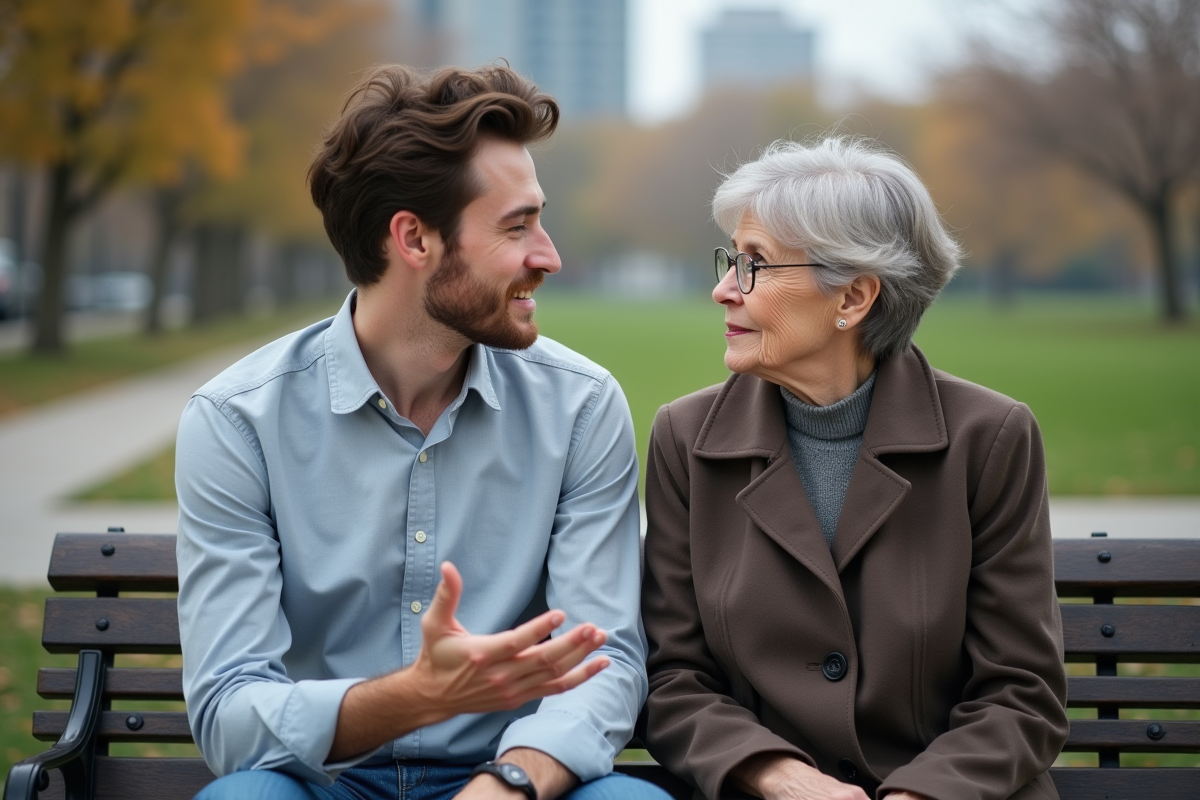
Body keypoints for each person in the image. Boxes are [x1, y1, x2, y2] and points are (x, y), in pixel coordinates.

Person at [177, 64, 668, 800]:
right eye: (517, 226)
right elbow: (229, 715)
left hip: (510, 774)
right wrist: (417, 696)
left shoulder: (581, 407)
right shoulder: (237, 421)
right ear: (413, 238)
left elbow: (603, 666)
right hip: (323, 781)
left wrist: (509, 782)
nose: (549, 256)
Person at [640, 137, 1068, 800]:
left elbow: (1022, 694)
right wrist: (779, 779)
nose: (722, 289)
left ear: (853, 298)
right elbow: (673, 680)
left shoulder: (990, 438)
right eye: (731, 259)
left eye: (755, 264)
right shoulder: (685, 439)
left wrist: (917, 795)